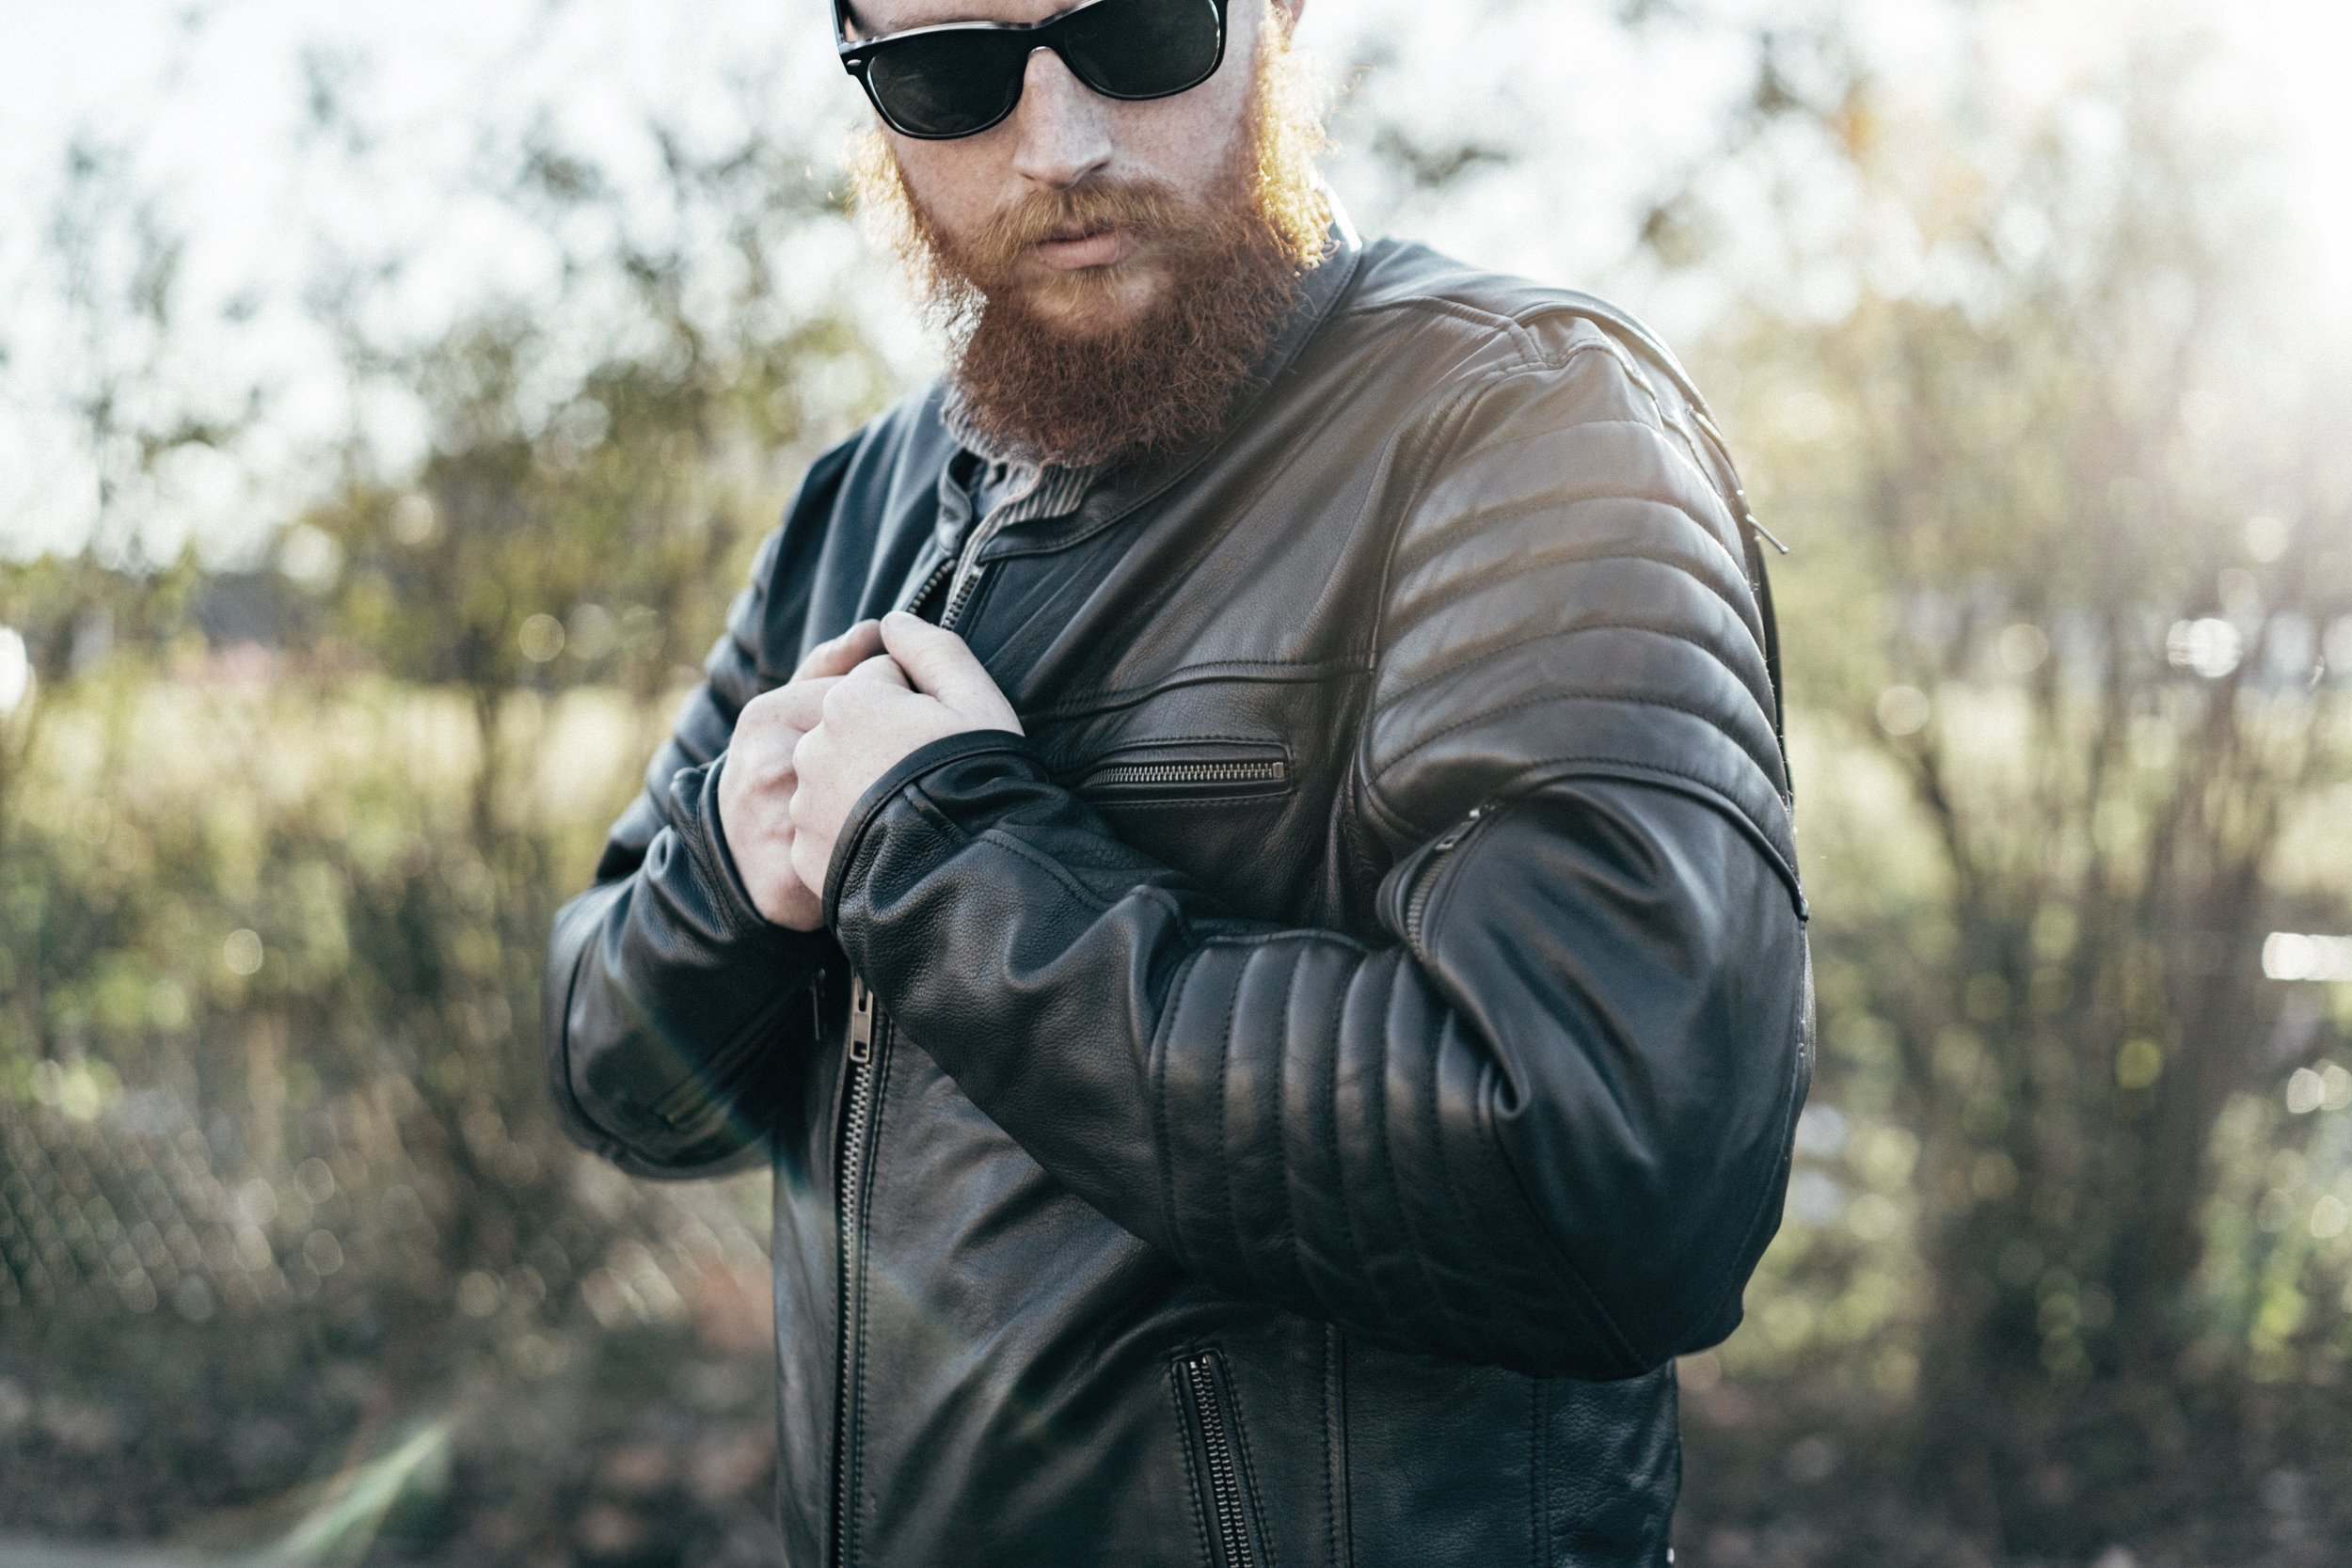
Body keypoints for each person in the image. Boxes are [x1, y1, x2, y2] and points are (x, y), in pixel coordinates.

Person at [544, 0, 1812, 1561]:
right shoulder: (851, 509)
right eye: (953, 73)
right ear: (875, 100)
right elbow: (613, 1070)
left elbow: (1615, 1180)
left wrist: (940, 857)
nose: (1060, 141)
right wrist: (729, 879)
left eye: (1138, 29)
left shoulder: (1520, 424)